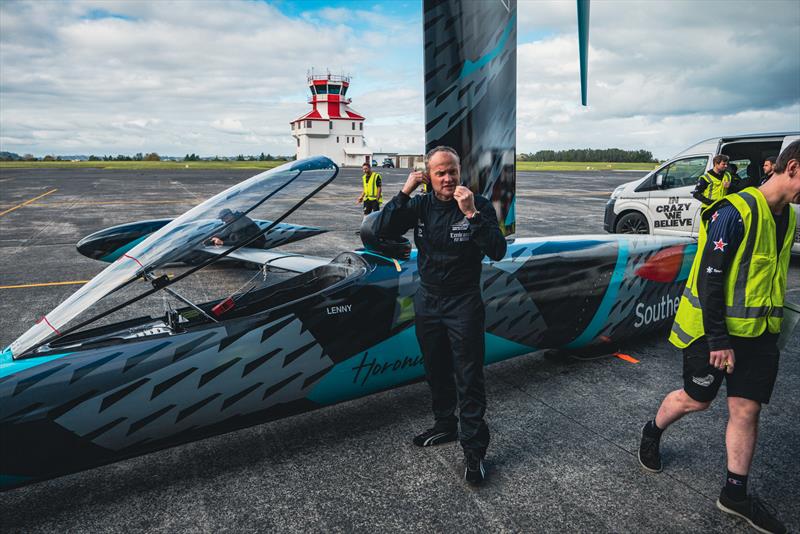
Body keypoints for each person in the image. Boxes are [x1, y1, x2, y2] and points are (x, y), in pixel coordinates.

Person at [638, 140, 799, 534]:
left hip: (759, 334)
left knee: (747, 410)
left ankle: (734, 494)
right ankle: (652, 431)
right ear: (792, 167)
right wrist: (718, 339)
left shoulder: (789, 217)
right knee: (697, 401)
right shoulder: (735, 212)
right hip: (713, 333)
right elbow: (711, 281)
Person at [374, 146, 506, 485]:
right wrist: (404, 192)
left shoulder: (477, 203)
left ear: (460, 171)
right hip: (429, 301)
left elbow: (498, 250)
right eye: (440, 173)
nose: (448, 179)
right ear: (428, 176)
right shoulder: (419, 205)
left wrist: (472, 214)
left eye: (452, 171)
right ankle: (445, 425)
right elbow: (382, 231)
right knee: (435, 368)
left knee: (469, 376)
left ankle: (474, 452)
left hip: (463, 303)